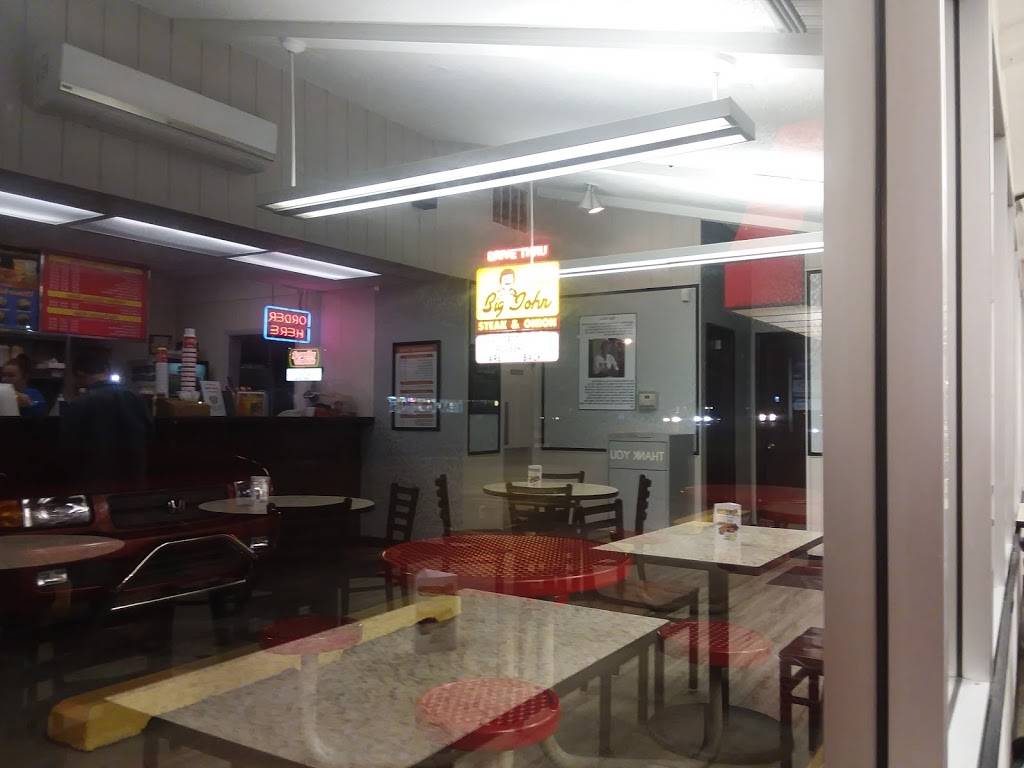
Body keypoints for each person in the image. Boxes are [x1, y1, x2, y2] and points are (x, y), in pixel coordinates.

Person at [61, 347, 151, 491]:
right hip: (134, 477)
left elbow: (69, 446)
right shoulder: (135, 397)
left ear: (80, 374)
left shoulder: (80, 403)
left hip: (96, 481)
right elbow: (150, 433)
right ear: (105, 370)